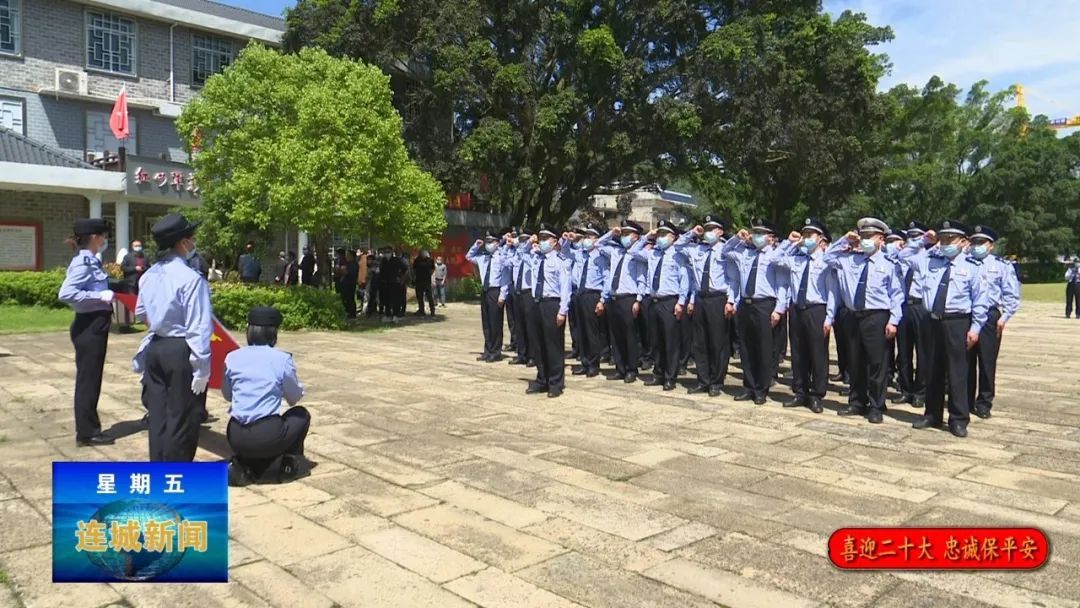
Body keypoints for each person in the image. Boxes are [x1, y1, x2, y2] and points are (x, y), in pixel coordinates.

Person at [134, 213, 213, 461]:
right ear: (182, 243)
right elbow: (198, 327)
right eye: (191, 238)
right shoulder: (190, 279)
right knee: (182, 417)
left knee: (158, 416)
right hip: (180, 350)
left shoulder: (148, 275)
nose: (193, 243)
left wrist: (161, 322)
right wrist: (202, 368)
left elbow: (140, 313)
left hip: (156, 347)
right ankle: (177, 476)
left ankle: (158, 469)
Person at [901, 220, 988, 437]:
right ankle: (932, 414)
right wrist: (922, 241)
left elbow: (980, 300)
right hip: (931, 321)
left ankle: (958, 419)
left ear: (963, 242)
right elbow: (901, 256)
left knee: (957, 371)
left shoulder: (972, 267)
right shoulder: (930, 261)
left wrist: (975, 328)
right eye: (943, 238)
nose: (945, 243)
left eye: (951, 239)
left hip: (957, 322)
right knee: (932, 369)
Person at [824, 218, 904, 425]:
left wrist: (894, 321)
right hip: (853, 316)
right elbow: (827, 257)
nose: (865, 240)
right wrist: (844, 240)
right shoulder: (850, 259)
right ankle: (857, 401)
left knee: (877, 363)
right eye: (863, 236)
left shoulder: (888, 264)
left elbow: (897, 295)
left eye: (870, 237)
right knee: (855, 361)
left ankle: (876, 405)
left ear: (881, 239)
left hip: (877, 317)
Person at [223, 306, 311, 486]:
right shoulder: (281, 359)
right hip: (266, 434)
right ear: (274, 333)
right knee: (301, 414)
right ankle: (286, 464)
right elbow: (293, 397)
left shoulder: (232, 357)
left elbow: (228, 395)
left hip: (236, 435)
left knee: (268, 432)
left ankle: (247, 464)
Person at [58, 218, 116, 447]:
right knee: (88, 381)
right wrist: (98, 297)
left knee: (91, 379)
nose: (104, 240)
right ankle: (87, 433)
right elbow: (67, 293)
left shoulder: (91, 261)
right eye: (103, 236)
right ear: (94, 238)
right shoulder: (84, 262)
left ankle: (88, 428)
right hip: (89, 326)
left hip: (94, 325)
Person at [725, 218, 790, 405]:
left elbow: (782, 286)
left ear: (770, 238)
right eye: (755, 233)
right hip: (746, 304)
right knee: (746, 347)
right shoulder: (745, 253)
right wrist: (737, 238)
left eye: (761, 234)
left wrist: (778, 310)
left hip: (765, 304)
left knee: (763, 348)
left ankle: (761, 388)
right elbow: (726, 251)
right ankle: (748, 386)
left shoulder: (775, 255)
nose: (757, 237)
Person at [776, 218, 837, 413]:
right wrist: (789, 242)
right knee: (798, 352)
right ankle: (800, 391)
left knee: (818, 353)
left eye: (810, 235)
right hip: (797, 308)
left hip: (817, 309)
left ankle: (817, 395)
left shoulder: (826, 260)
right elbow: (774, 258)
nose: (806, 238)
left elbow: (832, 291)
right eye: (804, 234)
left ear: (820, 238)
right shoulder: (796, 258)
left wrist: (829, 317)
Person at [966, 225, 1020, 419]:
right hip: (967, 315)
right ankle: (966, 399)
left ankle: (984, 401)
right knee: (966, 361)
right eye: (974, 242)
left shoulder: (1001, 265)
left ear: (990, 246)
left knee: (987, 361)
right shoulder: (964, 262)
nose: (976, 246)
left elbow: (1012, 295)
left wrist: (1004, 317)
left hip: (990, 316)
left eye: (981, 243)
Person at [676, 215, 733, 397]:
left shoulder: (725, 250)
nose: (708, 233)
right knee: (700, 342)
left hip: (718, 298)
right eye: (706, 229)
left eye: (712, 230)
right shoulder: (697, 250)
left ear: (720, 232)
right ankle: (703, 380)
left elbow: (733, 279)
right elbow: (678, 246)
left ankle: (716, 381)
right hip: (701, 297)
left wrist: (731, 301)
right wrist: (692, 232)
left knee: (717, 341)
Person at [633, 220, 690, 391]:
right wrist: (646, 237)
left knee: (670, 341)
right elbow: (633, 251)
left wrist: (681, 302)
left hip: (670, 301)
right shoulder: (653, 254)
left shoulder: (678, 255)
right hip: (654, 301)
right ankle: (658, 373)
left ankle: (670, 377)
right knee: (656, 340)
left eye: (664, 235)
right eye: (659, 235)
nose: (660, 238)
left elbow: (684, 280)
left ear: (673, 237)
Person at [597, 221, 647, 383]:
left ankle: (631, 369)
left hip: (628, 298)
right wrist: (612, 233)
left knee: (629, 336)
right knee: (615, 335)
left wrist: (638, 300)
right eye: (623, 234)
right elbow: (598, 244)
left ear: (636, 237)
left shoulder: (637, 256)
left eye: (628, 234)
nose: (624, 237)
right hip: (613, 298)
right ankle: (620, 368)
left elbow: (641, 280)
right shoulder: (616, 252)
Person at [525, 224, 572, 398]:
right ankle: (541, 379)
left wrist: (562, 311)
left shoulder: (561, 261)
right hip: (537, 303)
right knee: (538, 344)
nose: (542, 242)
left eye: (546, 239)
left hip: (552, 304)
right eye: (541, 238)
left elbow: (566, 288)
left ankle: (555, 383)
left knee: (553, 345)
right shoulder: (536, 258)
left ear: (554, 241)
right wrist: (530, 243)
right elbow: (522, 254)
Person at [892, 221, 931, 408]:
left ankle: (920, 392)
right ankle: (905, 389)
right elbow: (902, 253)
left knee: (923, 351)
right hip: (903, 306)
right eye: (910, 237)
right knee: (904, 351)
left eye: (917, 236)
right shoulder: (904, 256)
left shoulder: (929, 257)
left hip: (921, 306)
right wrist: (914, 243)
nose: (913, 240)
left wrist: (924, 243)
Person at [564, 223, 610, 378]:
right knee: (580, 330)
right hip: (579, 294)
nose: (587, 239)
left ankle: (593, 364)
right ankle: (584, 361)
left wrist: (603, 300)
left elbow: (606, 279)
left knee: (591, 331)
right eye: (586, 236)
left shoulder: (601, 257)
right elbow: (564, 251)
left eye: (590, 236)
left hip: (592, 295)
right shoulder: (580, 253)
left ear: (597, 239)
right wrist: (570, 240)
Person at [466, 231, 509, 361]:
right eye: (487, 242)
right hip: (485, 291)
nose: (488, 244)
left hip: (495, 291)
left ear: (497, 243)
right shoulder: (483, 257)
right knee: (486, 322)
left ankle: (496, 351)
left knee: (495, 322)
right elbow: (468, 257)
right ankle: (488, 350)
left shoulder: (502, 257)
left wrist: (503, 295)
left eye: (491, 242)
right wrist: (476, 246)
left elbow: (506, 278)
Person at [505, 227, 536, 366]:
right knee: (519, 325)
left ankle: (532, 355)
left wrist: (527, 244)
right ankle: (521, 353)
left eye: (525, 239)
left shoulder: (534, 253)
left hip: (529, 292)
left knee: (530, 326)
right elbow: (504, 262)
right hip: (518, 292)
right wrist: (506, 246)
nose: (522, 242)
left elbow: (526, 250)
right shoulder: (517, 254)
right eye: (521, 239)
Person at [413, 250, 437, 315]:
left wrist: (429, 275)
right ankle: (421, 310)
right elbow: (414, 269)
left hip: (427, 281)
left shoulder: (430, 260)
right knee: (420, 297)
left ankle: (432, 311)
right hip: (419, 281)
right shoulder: (417, 260)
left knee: (429, 297)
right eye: (421, 253)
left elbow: (433, 269)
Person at [340, 250, 360, 319]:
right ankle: (347, 312)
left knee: (350, 299)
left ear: (352, 256)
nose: (346, 257)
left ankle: (351, 313)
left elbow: (351, 274)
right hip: (345, 284)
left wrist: (344, 270)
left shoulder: (354, 264)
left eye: (348, 255)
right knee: (345, 299)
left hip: (350, 284)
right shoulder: (348, 263)